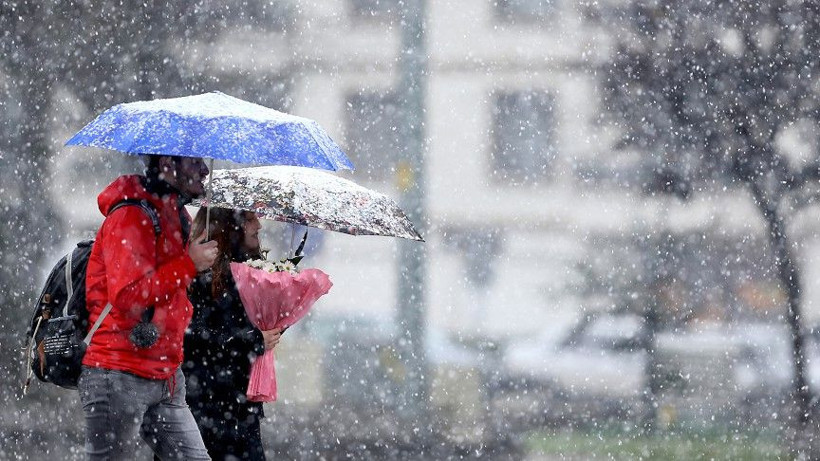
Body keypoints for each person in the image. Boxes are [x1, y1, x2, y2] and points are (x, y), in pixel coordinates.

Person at [79, 154, 218, 460]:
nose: (205, 170)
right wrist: (188, 264)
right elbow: (128, 295)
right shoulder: (130, 215)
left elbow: (174, 290)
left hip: (166, 375)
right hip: (118, 374)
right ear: (168, 162)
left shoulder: (177, 214)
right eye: (194, 162)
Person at [183, 208, 283, 460]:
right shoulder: (198, 276)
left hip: (240, 409)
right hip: (203, 408)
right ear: (229, 226)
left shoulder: (251, 273)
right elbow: (192, 337)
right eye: (250, 219)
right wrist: (253, 340)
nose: (258, 225)